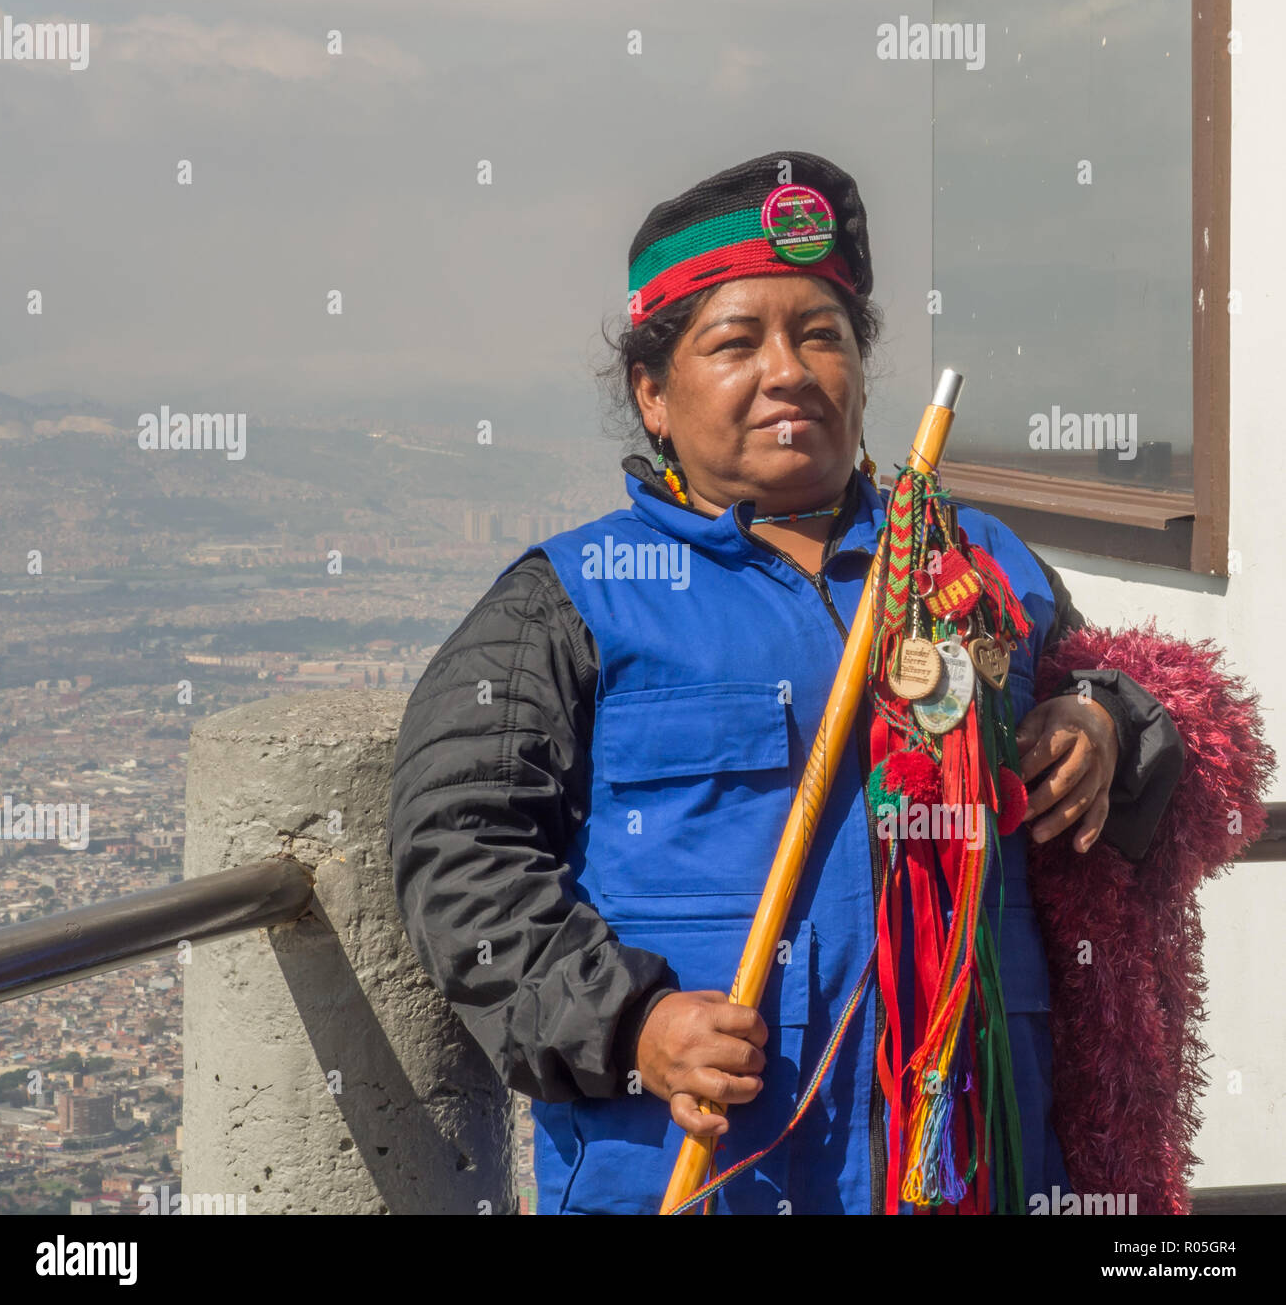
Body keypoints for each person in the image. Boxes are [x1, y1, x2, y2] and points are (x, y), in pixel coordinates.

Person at [388, 151, 1210, 1215]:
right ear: (652, 392)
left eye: (820, 334)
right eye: (734, 342)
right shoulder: (571, 604)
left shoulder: (982, 567)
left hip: (978, 1167)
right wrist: (633, 1027)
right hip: (701, 1177)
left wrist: (1099, 720)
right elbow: (456, 849)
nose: (787, 370)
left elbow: (1146, 724)